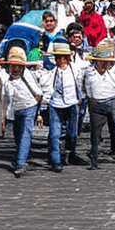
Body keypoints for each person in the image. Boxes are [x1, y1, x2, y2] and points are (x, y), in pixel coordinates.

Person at [0, 47, 43, 178]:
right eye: (13, 66)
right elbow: (4, 99)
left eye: (18, 66)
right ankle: (21, 157)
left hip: (29, 107)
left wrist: (38, 112)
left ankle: (21, 163)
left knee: (25, 134)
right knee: (18, 136)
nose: (15, 69)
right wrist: (3, 118)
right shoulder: (6, 79)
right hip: (15, 111)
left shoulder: (28, 75)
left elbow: (39, 93)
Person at [83, 41, 115, 169]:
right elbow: (84, 88)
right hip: (96, 104)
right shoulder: (88, 71)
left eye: (107, 61)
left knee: (114, 127)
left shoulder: (114, 69)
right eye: (102, 61)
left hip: (112, 101)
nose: (105, 64)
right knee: (95, 132)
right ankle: (94, 159)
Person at [48, 39, 85, 169]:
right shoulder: (52, 71)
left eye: (63, 57)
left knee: (72, 133)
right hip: (55, 104)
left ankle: (70, 153)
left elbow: (81, 82)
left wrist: (80, 97)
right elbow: (46, 86)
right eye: (58, 57)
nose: (61, 60)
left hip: (72, 103)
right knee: (54, 133)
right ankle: (55, 160)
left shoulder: (75, 69)